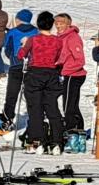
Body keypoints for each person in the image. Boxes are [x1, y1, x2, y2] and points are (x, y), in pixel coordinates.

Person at [17, 12, 64, 151]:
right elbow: (58, 57)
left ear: (38, 24)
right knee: (52, 108)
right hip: (51, 74)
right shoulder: (58, 41)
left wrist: (23, 45)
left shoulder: (33, 39)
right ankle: (57, 142)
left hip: (35, 74)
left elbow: (21, 55)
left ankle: (37, 141)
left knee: (35, 109)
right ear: (51, 25)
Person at [0, 9, 36, 124]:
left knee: (12, 94)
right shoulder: (36, 31)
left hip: (16, 64)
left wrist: (11, 57)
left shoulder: (12, 31)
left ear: (19, 19)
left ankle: (7, 119)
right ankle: (35, 120)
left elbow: (7, 49)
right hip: (32, 66)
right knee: (31, 94)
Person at [57, 15, 88, 134]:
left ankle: (70, 129)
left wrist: (65, 69)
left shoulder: (72, 37)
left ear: (68, 24)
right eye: (57, 23)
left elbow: (80, 60)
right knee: (73, 105)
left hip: (74, 75)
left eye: (61, 23)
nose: (58, 25)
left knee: (68, 105)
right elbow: (64, 56)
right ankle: (79, 129)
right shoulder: (61, 37)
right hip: (68, 73)